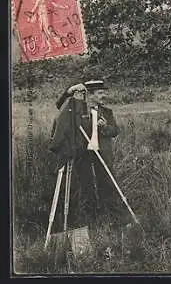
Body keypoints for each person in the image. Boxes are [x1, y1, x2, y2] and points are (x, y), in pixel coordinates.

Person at [49, 80, 128, 232]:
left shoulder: (107, 112)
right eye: (100, 93)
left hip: (102, 154)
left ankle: (115, 222)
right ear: (90, 95)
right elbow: (60, 105)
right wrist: (70, 90)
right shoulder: (78, 110)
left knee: (108, 186)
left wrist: (105, 127)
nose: (104, 96)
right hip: (83, 155)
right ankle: (90, 224)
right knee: (87, 189)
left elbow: (115, 131)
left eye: (104, 92)